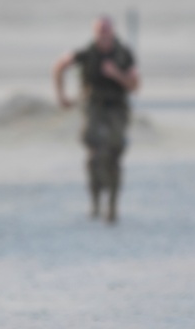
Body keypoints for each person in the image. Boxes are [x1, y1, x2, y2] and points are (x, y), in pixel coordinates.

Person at [53, 16, 140, 224]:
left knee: (114, 155)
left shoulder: (124, 54)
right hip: (93, 110)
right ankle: (95, 200)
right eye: (99, 31)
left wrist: (116, 74)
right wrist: (62, 96)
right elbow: (58, 66)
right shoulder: (85, 54)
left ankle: (112, 204)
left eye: (106, 30)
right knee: (95, 155)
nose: (103, 35)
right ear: (94, 32)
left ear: (112, 32)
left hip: (117, 111)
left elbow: (135, 85)